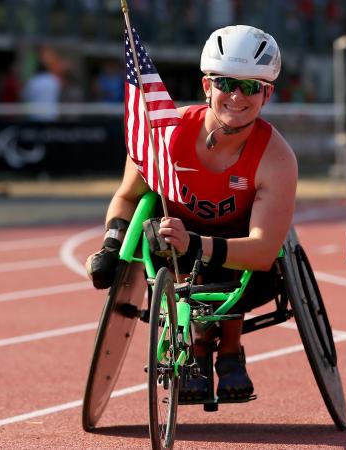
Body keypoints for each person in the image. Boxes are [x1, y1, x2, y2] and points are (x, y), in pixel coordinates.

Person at [85, 25, 297, 402]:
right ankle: (196, 344)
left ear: (267, 93)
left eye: (249, 86)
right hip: (171, 242)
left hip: (242, 257)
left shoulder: (277, 159)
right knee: (164, 237)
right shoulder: (165, 133)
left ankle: (229, 349)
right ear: (207, 86)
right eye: (226, 83)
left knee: (231, 257)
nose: (235, 95)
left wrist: (196, 244)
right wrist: (109, 245)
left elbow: (264, 251)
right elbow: (127, 196)